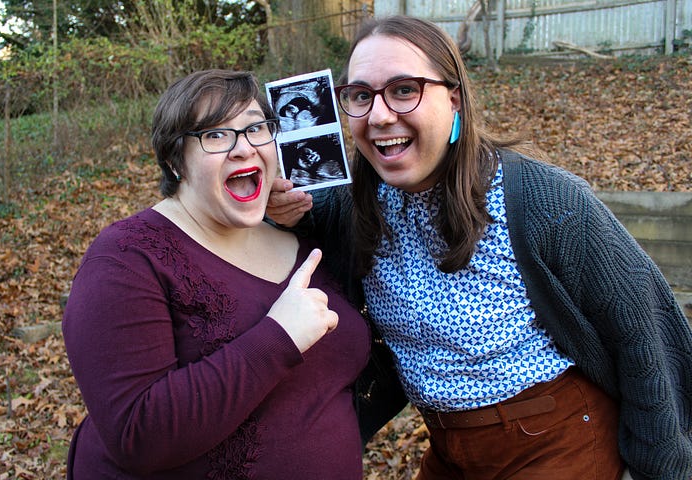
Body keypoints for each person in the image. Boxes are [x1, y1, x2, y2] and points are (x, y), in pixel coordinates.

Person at [266, 15, 692, 480]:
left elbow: (644, 332)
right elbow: (279, 234)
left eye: (404, 89)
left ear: (453, 99)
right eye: (361, 95)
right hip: (450, 449)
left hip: (556, 443)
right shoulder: (354, 205)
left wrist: (659, 466)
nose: (380, 114)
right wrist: (280, 211)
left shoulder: (546, 201)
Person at [62, 69, 371, 479]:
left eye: (256, 128)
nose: (244, 149)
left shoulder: (295, 233)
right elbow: (137, 435)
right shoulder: (125, 258)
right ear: (175, 161)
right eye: (216, 135)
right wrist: (279, 337)